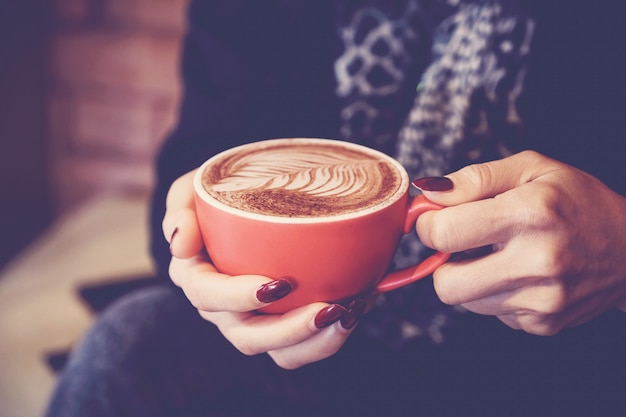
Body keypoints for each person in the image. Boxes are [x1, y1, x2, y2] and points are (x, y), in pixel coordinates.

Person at [45, 1, 626, 416]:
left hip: (549, 370)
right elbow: (198, 170)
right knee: (127, 343)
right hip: (316, 355)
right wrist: (193, 241)